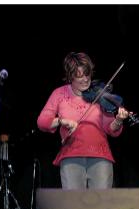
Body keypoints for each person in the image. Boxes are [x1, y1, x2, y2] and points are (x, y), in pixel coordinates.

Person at [37, 52, 130, 189]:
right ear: (70, 77)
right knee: (74, 206)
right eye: (79, 76)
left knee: (101, 206)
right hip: (71, 156)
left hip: (100, 156)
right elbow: (42, 122)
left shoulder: (98, 93)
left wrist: (118, 120)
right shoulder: (59, 94)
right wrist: (62, 121)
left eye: (88, 74)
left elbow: (110, 128)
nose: (86, 79)